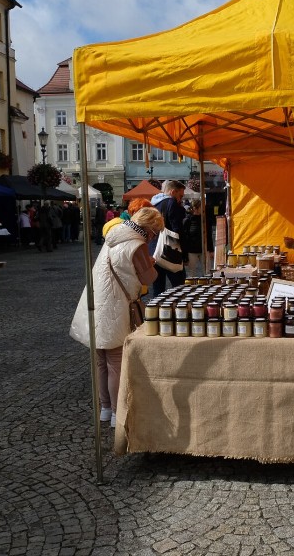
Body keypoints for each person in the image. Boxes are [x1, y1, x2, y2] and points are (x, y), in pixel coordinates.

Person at [70, 207, 164, 428]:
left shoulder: (115, 234)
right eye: (155, 232)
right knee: (115, 362)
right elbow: (149, 278)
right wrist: (152, 262)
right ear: (148, 229)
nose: (154, 237)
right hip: (116, 307)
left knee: (101, 360)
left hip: (96, 303)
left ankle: (104, 409)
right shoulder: (137, 244)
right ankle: (116, 413)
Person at [149, 180, 187, 295]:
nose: (180, 199)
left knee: (158, 287)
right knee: (179, 286)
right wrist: (184, 254)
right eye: (180, 195)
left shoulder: (153, 204)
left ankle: (157, 311)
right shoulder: (172, 203)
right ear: (173, 191)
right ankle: (179, 311)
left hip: (154, 251)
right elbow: (177, 230)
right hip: (170, 251)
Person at [182, 199, 214, 277]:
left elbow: (208, 235)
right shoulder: (187, 220)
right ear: (195, 208)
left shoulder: (205, 219)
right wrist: (185, 255)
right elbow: (185, 238)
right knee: (192, 273)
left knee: (207, 272)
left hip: (204, 250)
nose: (203, 209)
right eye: (201, 207)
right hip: (192, 251)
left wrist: (211, 250)